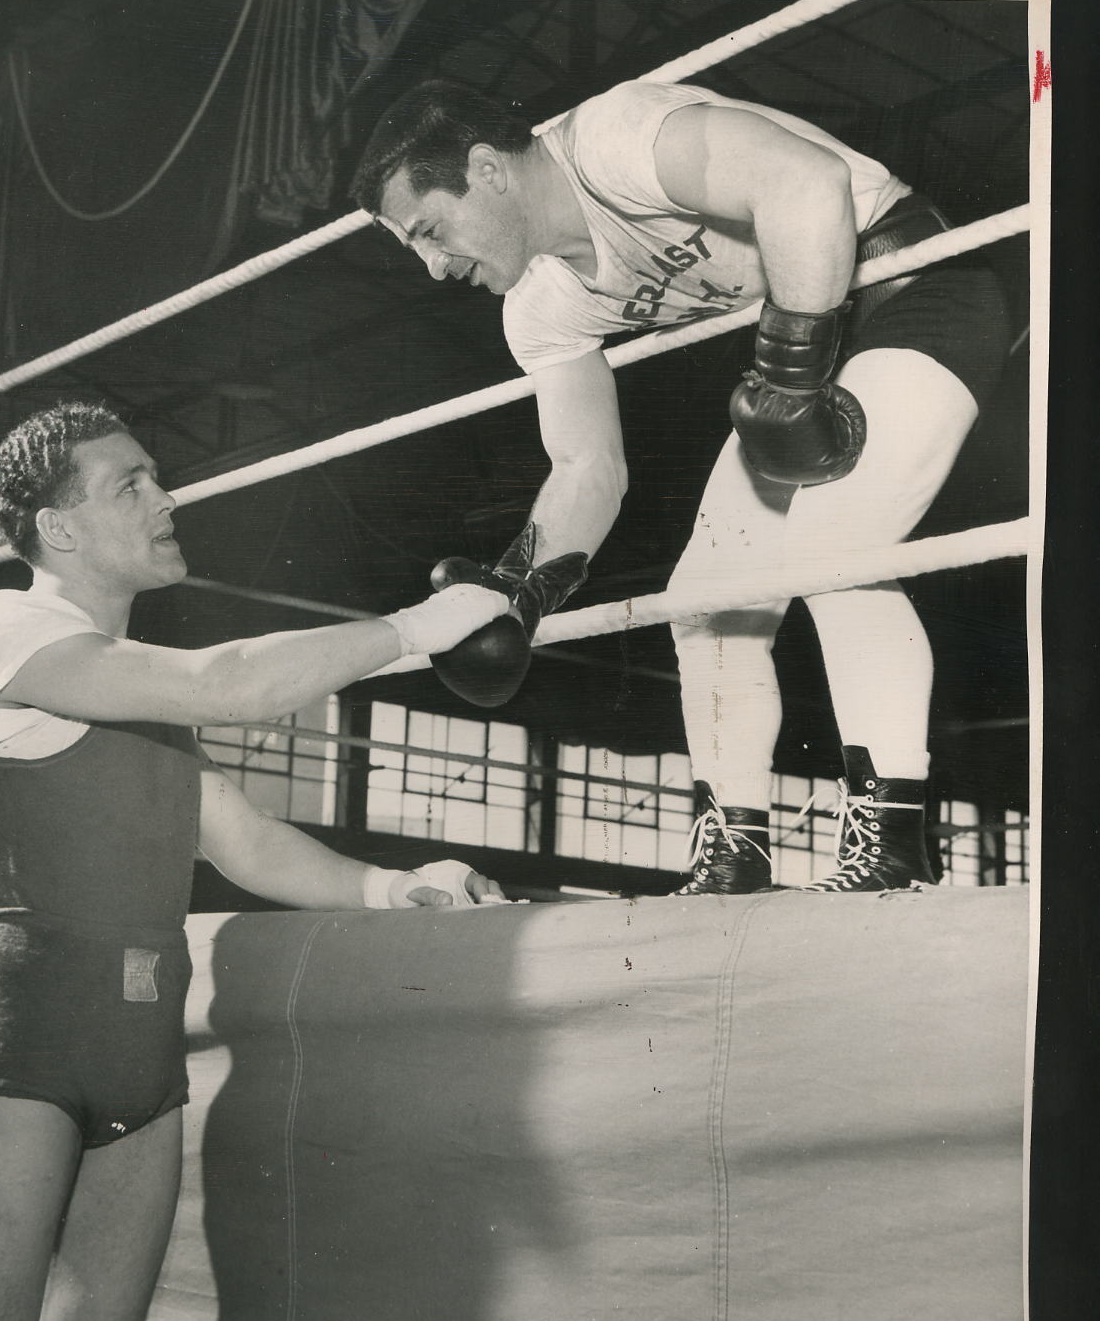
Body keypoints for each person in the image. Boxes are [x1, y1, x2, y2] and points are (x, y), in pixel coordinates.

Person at [0, 401, 509, 1321]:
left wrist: (390, 888)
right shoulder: (1, 630)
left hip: (138, 1042)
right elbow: (229, 682)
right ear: (58, 528)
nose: (164, 495)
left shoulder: (138, 695)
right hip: (19, 1036)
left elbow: (248, 842)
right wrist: (417, 629)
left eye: (156, 473)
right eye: (129, 483)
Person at [354, 78, 1010, 893]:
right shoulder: (538, 302)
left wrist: (791, 372)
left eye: (429, 229)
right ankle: (733, 852)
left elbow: (806, 181)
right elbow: (587, 469)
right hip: (806, 337)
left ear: (486, 169)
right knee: (703, 599)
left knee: (833, 542)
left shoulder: (612, 140)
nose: (431, 265)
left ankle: (892, 849)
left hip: (910, 282)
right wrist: (517, 593)